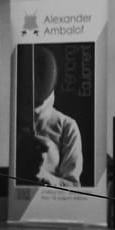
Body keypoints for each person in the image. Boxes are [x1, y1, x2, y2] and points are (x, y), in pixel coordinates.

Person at [26, 45, 83, 188]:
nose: (36, 81)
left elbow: (73, 186)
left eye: (41, 75)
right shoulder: (12, 120)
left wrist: (43, 176)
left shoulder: (67, 126)